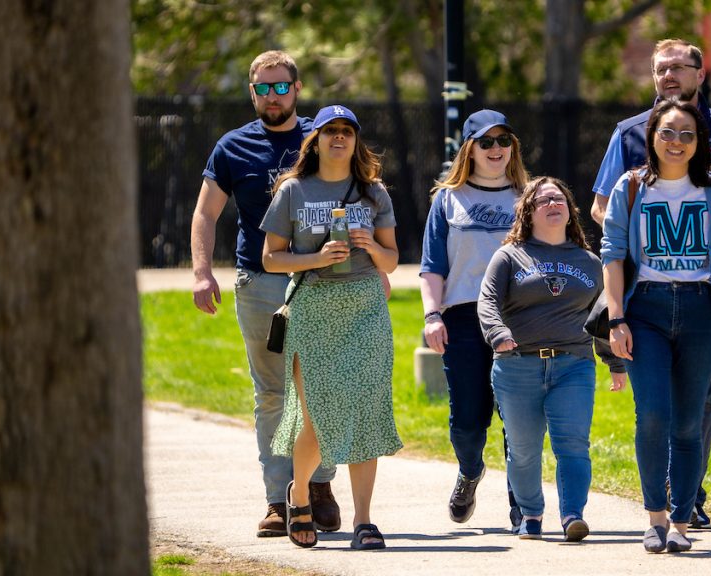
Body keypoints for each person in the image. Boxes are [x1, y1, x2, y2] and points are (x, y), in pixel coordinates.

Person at [590, 38, 711, 529]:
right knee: (653, 410)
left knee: (699, 404)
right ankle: (664, 506)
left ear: (700, 72)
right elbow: (601, 207)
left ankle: (686, 494)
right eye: (660, 69)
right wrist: (629, 234)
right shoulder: (629, 135)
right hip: (643, 295)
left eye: (678, 67)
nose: (668, 75)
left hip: (702, 295)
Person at [190, 50, 340, 538]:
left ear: (296, 89)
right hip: (260, 284)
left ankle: (318, 486)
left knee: (320, 390)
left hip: (324, 282)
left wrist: (372, 264)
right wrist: (200, 272)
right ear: (252, 92)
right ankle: (278, 500)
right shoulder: (233, 146)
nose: (272, 96)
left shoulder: (323, 137)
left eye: (281, 87)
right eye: (263, 88)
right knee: (272, 394)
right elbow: (205, 213)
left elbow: (358, 194)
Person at [600, 98, 711, 553]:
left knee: (687, 422)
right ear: (652, 137)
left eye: (687, 134)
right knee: (654, 416)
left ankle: (682, 522)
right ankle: (655, 518)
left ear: (699, 141)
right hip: (646, 312)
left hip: (702, 310)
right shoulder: (630, 188)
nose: (677, 142)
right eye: (668, 132)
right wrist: (617, 318)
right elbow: (612, 255)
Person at [260, 104, 403, 550]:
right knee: (317, 413)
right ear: (315, 140)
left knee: (366, 413)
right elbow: (270, 258)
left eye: (347, 131)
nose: (338, 138)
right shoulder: (293, 191)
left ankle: (364, 520)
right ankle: (298, 494)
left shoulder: (373, 192)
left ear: (355, 140)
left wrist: (370, 247)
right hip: (313, 307)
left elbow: (392, 259)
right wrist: (317, 259)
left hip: (365, 308)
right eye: (330, 131)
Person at [477, 176, 625, 542]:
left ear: (570, 210)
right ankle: (530, 513)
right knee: (524, 449)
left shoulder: (590, 262)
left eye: (558, 198)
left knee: (573, 443)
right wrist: (498, 334)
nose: (552, 204)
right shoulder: (509, 257)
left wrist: (615, 363)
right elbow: (487, 301)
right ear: (528, 213)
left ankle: (573, 514)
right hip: (517, 364)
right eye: (542, 200)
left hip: (573, 364)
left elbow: (602, 314)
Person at [419, 109, 530, 531]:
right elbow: (432, 266)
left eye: (504, 141)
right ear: (469, 149)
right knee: (468, 418)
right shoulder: (448, 199)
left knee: (516, 415)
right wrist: (432, 315)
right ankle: (469, 471)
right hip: (464, 317)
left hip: (518, 316)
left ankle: (521, 504)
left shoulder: (529, 195)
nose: (496, 149)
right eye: (486, 142)